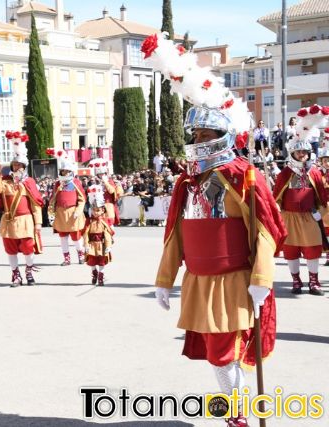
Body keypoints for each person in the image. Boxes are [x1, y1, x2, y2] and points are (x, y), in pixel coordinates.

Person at [146, 32, 286, 427]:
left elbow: (264, 231)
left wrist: (261, 278)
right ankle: (234, 410)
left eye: (206, 134)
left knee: (224, 352)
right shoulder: (185, 183)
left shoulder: (244, 176)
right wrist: (164, 279)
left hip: (233, 281)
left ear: (223, 136)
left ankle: (236, 415)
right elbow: (177, 235)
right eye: (196, 134)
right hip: (200, 281)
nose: (199, 140)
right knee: (215, 353)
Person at [273, 109, 328, 296]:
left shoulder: (314, 173)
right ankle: (296, 281)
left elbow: (323, 196)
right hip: (289, 218)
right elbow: (276, 197)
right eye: (299, 152)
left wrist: (321, 213)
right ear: (293, 153)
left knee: (313, 249)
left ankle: (314, 282)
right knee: (291, 250)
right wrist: (279, 214)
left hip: (310, 218)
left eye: (305, 151)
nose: (302, 154)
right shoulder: (285, 174)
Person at [0, 131, 43, 286]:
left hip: (26, 220)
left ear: (24, 166)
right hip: (9, 220)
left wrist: (38, 223)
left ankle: (29, 271)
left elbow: (36, 204)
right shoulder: (5, 181)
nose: (16, 167)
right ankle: (16, 275)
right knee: (10, 248)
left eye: (19, 165)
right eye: (14, 165)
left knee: (28, 248)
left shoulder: (29, 182)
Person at [48, 150, 86, 265]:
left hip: (73, 212)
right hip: (60, 213)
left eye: (65, 171)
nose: (63, 173)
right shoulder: (57, 184)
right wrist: (51, 213)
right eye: (62, 171)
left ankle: (81, 255)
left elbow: (82, 199)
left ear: (70, 171)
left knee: (76, 237)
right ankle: (66, 258)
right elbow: (53, 199)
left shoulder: (76, 182)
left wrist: (78, 211)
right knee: (63, 237)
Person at [83, 185, 114, 286]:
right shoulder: (89, 222)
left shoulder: (104, 222)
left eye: (98, 210)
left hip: (101, 245)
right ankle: (94, 273)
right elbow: (85, 234)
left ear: (102, 210)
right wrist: (86, 245)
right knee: (92, 262)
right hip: (92, 245)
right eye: (93, 210)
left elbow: (107, 235)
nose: (95, 212)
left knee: (101, 262)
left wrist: (108, 246)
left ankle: (101, 276)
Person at [88, 157, 123, 228]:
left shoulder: (109, 181)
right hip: (97, 205)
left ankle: (110, 238)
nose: (101, 175)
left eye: (102, 174)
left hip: (108, 204)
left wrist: (105, 182)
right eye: (99, 174)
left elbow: (112, 191)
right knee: (99, 223)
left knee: (109, 223)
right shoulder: (95, 182)